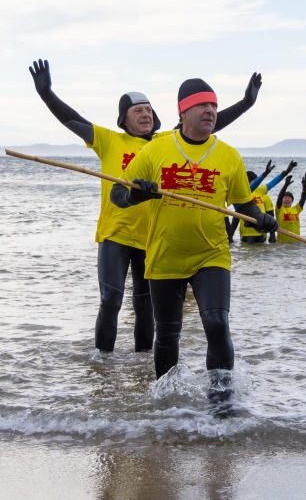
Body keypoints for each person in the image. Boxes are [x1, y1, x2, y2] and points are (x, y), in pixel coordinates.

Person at [29, 59, 262, 354]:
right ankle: (103, 362)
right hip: (116, 234)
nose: (146, 114)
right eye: (138, 110)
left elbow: (204, 121)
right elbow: (70, 119)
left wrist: (245, 103)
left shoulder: (165, 141)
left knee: (145, 306)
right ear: (123, 119)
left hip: (151, 239)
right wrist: (47, 94)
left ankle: (141, 363)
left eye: (149, 110)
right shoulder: (109, 140)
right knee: (111, 300)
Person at [110, 78, 277, 411]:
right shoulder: (155, 150)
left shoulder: (228, 156)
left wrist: (262, 218)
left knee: (217, 323)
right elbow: (118, 195)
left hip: (211, 254)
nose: (211, 111)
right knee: (168, 334)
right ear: (183, 111)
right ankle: (166, 403)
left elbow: (245, 205)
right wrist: (135, 193)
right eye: (203, 105)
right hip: (164, 254)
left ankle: (222, 403)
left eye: (214, 106)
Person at [229, 160, 297, 243]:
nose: (257, 184)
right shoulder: (242, 194)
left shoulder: (260, 191)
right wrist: (230, 235)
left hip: (261, 232)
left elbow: (272, 183)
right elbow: (236, 217)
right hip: (247, 234)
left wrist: (285, 172)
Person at [274, 175, 306, 242]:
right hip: (283, 245)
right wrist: (285, 185)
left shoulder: (296, 209)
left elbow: (303, 199)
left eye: (289, 198)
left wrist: (304, 187)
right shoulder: (279, 209)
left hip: (296, 245)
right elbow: (279, 197)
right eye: (285, 197)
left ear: (292, 200)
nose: (287, 199)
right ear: (282, 200)